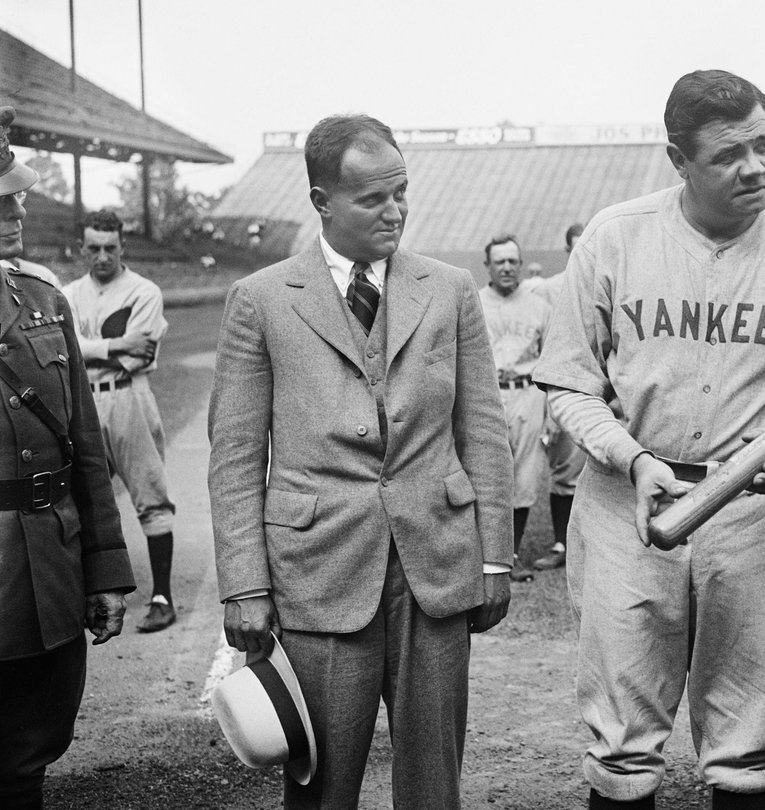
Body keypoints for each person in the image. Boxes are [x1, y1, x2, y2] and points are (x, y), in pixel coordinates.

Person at [534, 70, 765, 810]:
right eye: (728, 155)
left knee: (748, 743)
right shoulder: (615, 237)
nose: (755, 167)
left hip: (749, 508)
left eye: (764, 145)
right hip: (626, 503)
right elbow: (565, 384)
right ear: (678, 160)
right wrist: (633, 456)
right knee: (621, 746)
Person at [207, 113, 514, 809]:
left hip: (433, 568)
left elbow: (485, 431)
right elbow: (234, 458)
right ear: (322, 202)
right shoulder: (261, 300)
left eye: (402, 192)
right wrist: (245, 586)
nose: (396, 210)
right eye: (374, 199)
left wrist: (494, 557)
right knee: (322, 784)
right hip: (318, 573)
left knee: (436, 784)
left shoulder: (449, 289)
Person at [0, 105, 134, 810]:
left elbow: (87, 450)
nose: (19, 201)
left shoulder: (43, 299)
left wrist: (105, 572)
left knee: (32, 748)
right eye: (2, 195)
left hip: (47, 568)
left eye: (15, 190)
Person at [62, 209, 181, 630]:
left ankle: (162, 597)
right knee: (79, 501)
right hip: (82, 403)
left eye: (110, 248)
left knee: (150, 494)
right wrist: (112, 344)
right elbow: (68, 348)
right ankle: (88, 598)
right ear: (81, 249)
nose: (102, 256)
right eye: (93, 248)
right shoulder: (68, 293)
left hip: (129, 398)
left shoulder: (144, 291)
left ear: (122, 247)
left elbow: (139, 354)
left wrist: (88, 346)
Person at [479, 234, 550, 582]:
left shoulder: (538, 306)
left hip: (526, 393)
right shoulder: (475, 302)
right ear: (488, 265)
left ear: (521, 265)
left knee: (523, 477)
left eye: (512, 261)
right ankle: (483, 557)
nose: (506, 267)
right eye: (500, 261)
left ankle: (512, 555)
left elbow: (551, 360)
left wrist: (552, 411)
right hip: (485, 394)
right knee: (484, 475)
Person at [530, 222, 588, 572]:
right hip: (564, 389)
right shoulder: (549, 290)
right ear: (568, 250)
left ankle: (596, 547)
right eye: (576, 246)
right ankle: (562, 542)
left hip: (608, 395)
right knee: (565, 471)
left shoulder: (608, 278)